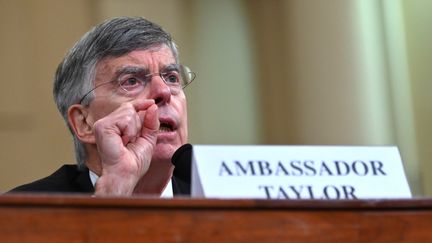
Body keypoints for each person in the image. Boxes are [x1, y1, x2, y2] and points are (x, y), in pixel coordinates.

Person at [10, 17, 195, 197]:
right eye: (131, 81)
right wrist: (115, 188)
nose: (164, 91)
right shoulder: (21, 213)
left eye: (171, 78)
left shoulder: (217, 194)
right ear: (84, 122)